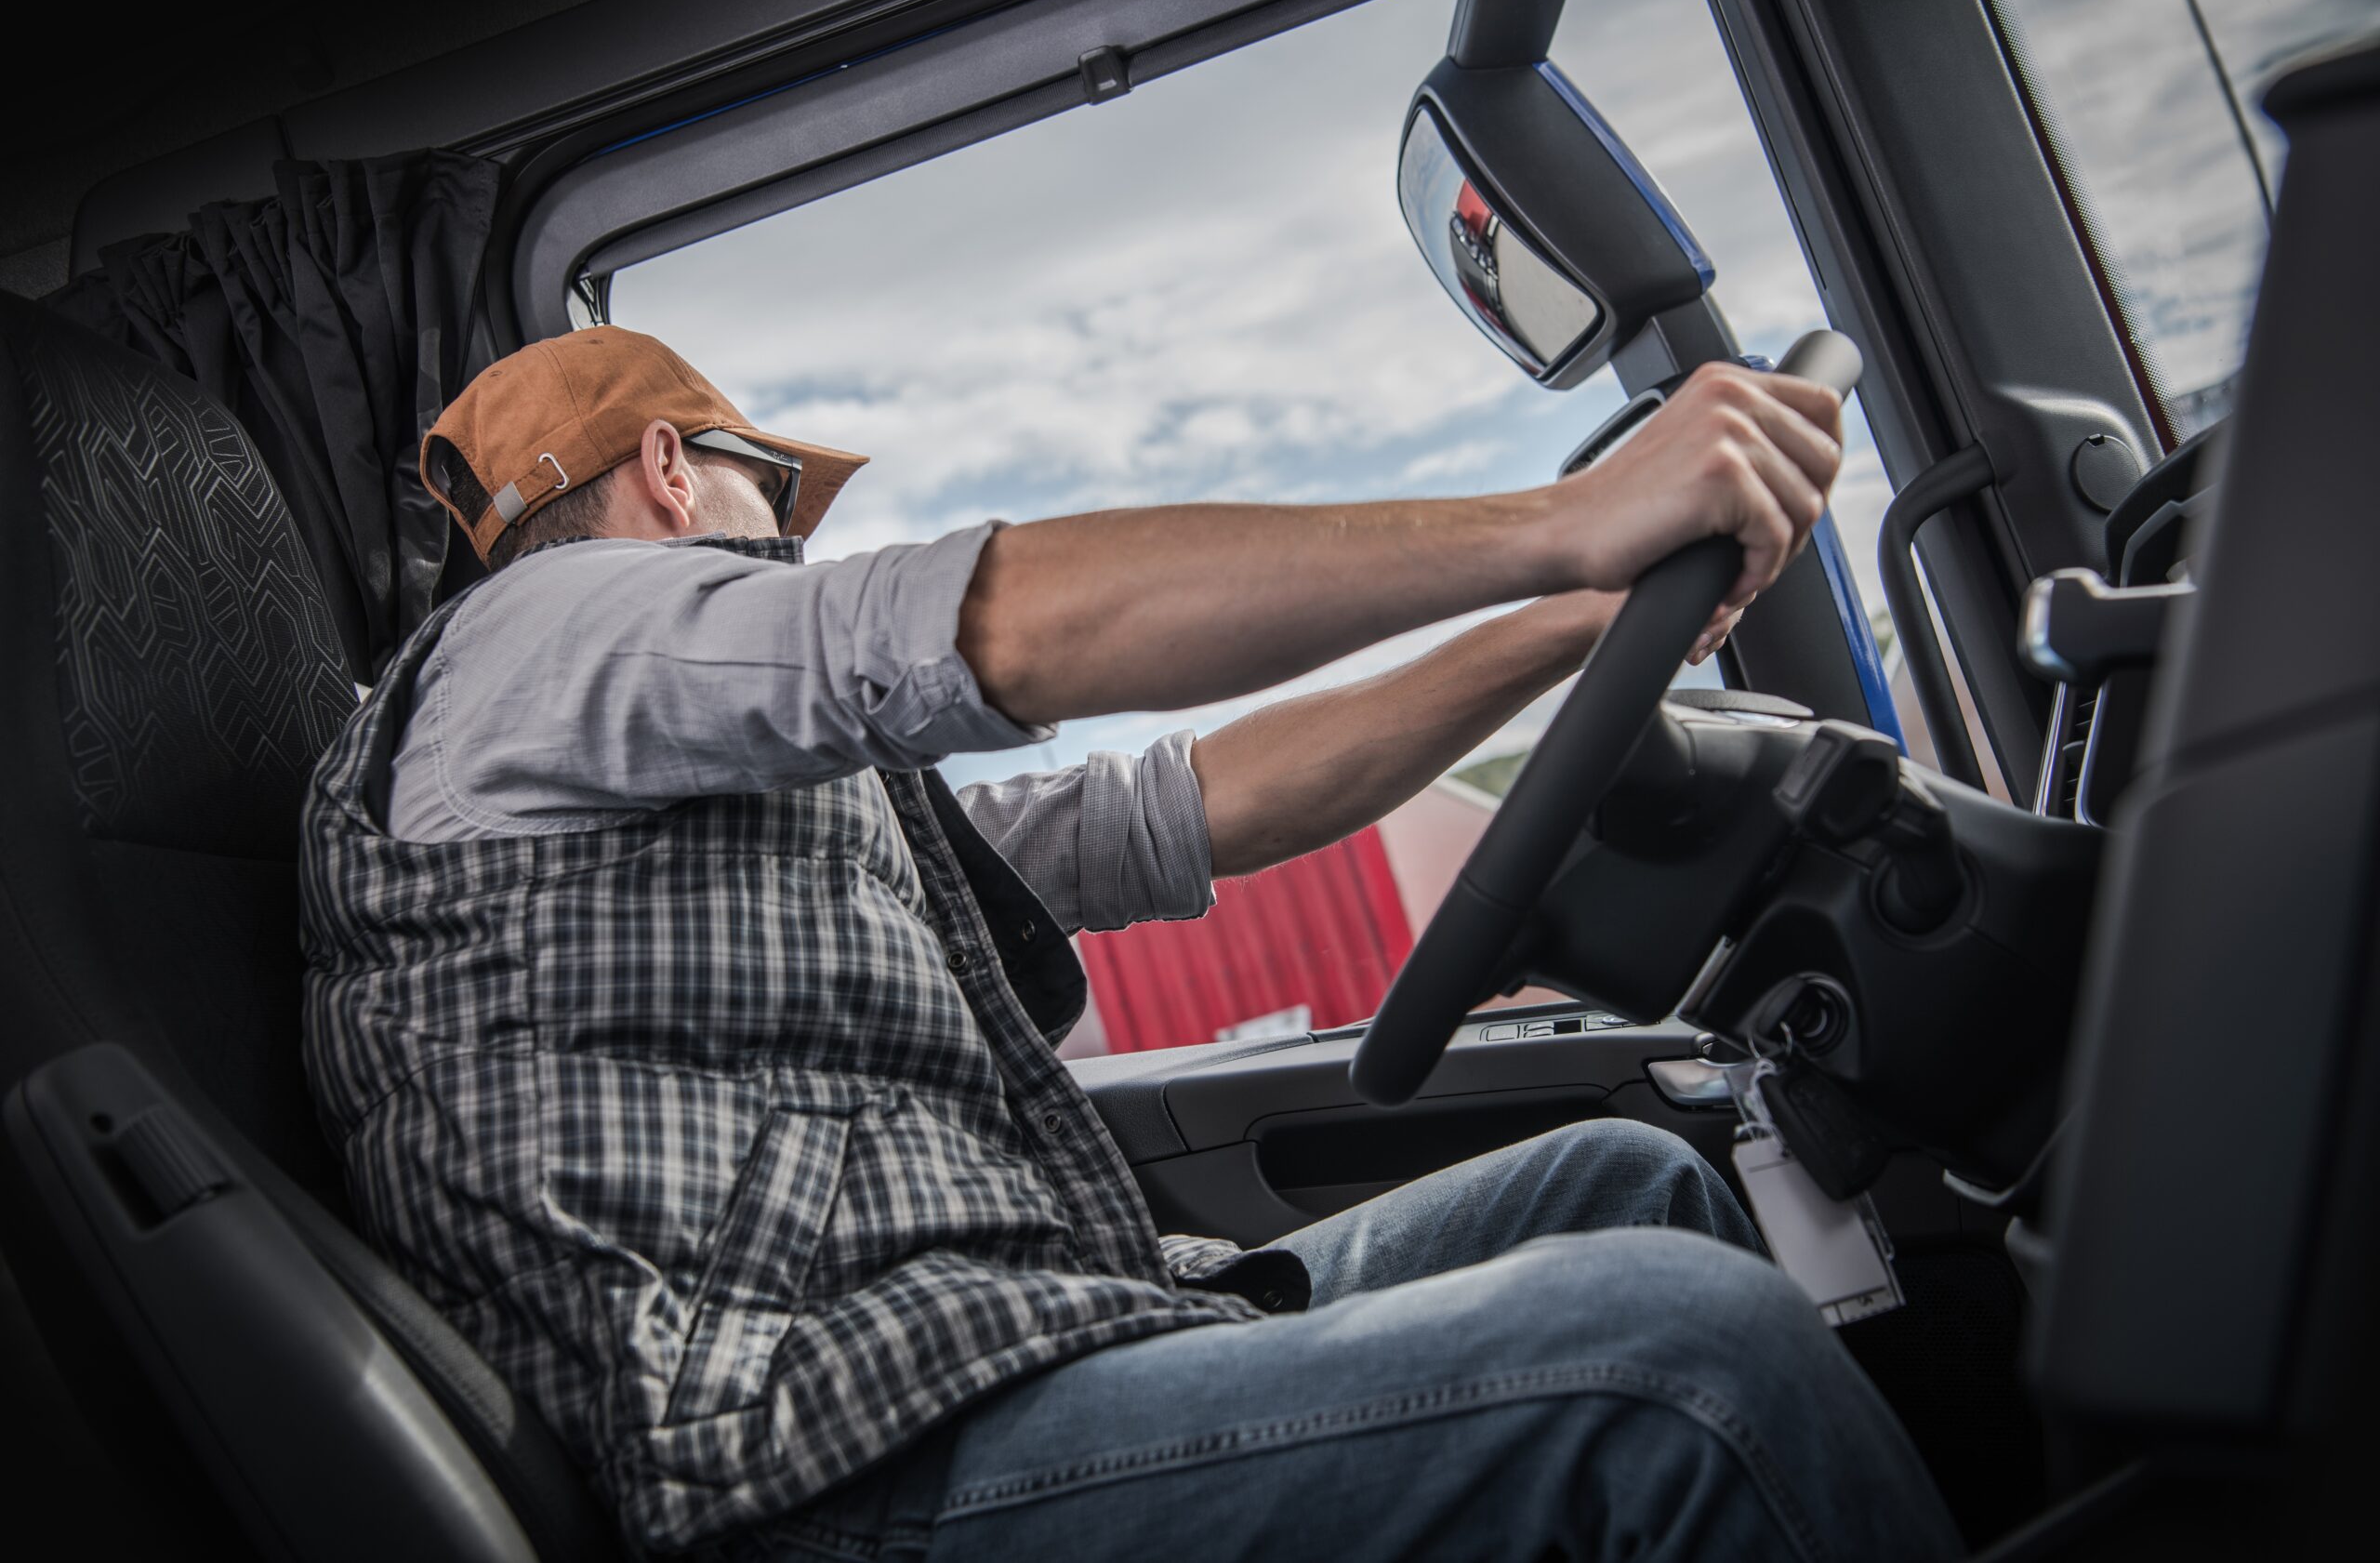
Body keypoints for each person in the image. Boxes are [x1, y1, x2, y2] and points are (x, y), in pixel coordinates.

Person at [298, 326, 1956, 1560]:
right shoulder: (535, 641)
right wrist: (1563, 519)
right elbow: (996, 625)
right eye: (768, 490)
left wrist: (1566, 625)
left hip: (993, 1335)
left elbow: (1190, 808)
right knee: (1690, 1366)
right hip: (836, 1460)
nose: (786, 533)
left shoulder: (717, 782)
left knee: (1626, 1178)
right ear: (673, 464)